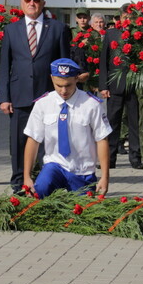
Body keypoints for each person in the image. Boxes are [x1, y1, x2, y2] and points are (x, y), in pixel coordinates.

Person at [0, 0, 71, 191]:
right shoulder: (11, 30)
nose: (32, 3)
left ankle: (46, 182)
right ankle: (19, 183)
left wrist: (64, 95)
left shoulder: (57, 29)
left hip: (48, 96)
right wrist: (4, 97)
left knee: (48, 142)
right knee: (19, 143)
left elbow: (64, 64)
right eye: (28, 0)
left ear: (43, 3)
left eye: (36, 0)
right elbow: (5, 65)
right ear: (22, 2)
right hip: (19, 97)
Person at [23, 58, 111, 198]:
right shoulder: (43, 104)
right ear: (51, 78)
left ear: (77, 79)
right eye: (59, 85)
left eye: (68, 85)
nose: (63, 90)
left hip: (82, 170)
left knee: (82, 213)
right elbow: (33, 140)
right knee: (40, 192)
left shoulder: (91, 104)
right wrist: (27, 176)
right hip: (54, 165)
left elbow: (102, 139)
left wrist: (105, 177)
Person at [99, 3, 142, 171]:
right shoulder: (111, 34)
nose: (128, 20)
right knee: (112, 122)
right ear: (120, 18)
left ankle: (135, 157)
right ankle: (109, 157)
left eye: (131, 17)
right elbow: (104, 61)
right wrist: (103, 85)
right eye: (125, 17)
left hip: (133, 86)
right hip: (114, 86)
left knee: (134, 123)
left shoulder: (139, 35)